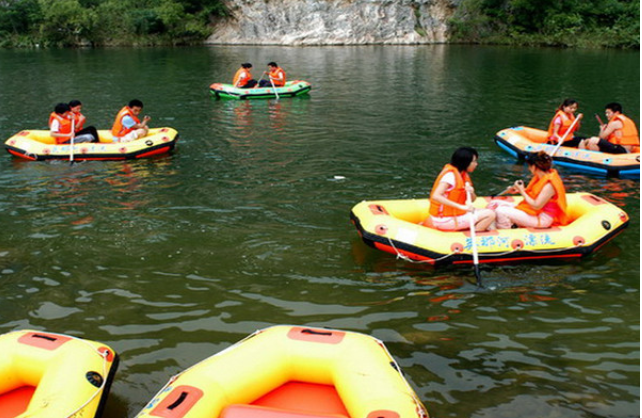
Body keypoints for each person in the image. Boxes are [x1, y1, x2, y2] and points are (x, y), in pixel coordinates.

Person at [424, 147, 496, 232]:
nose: (476, 164)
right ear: (465, 162)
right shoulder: (450, 176)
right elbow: (436, 196)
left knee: (489, 212)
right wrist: (461, 206)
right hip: (445, 220)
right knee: (490, 215)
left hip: (455, 215)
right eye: (474, 161)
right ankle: (476, 235)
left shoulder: (463, 176)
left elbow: (473, 200)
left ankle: (487, 231)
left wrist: (471, 192)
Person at [493, 152, 569, 229]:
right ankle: (510, 224)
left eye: (529, 166)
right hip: (533, 212)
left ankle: (506, 231)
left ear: (534, 167)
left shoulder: (549, 185)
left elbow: (536, 206)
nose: (529, 168)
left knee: (501, 211)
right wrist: (519, 190)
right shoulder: (541, 177)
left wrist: (522, 191)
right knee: (495, 203)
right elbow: (535, 193)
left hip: (542, 218)